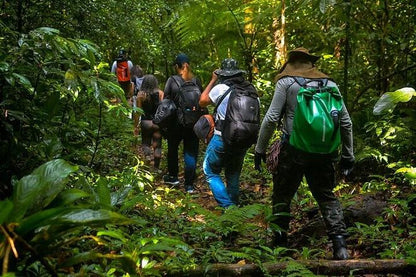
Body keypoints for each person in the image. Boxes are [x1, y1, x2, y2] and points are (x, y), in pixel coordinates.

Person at [254, 47, 354, 260]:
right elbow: (346, 121)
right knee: (326, 196)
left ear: (290, 63)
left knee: (282, 196)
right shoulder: (330, 84)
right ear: (311, 63)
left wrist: (259, 149)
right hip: (325, 152)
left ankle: (279, 246)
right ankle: (340, 245)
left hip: (294, 150)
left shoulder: (286, 83)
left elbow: (272, 117)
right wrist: (348, 154)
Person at [199, 58, 257, 208]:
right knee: (233, 174)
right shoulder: (251, 90)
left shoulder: (220, 88)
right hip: (243, 139)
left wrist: (213, 80)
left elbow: (202, 101)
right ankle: (235, 208)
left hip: (221, 137)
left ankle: (228, 208)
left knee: (210, 171)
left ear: (223, 74)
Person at [163, 53, 202, 193]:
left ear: (176, 66)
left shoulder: (172, 81)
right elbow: (202, 101)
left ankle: (173, 177)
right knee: (191, 153)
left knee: (173, 149)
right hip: (193, 122)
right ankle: (189, 185)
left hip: (175, 122)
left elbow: (166, 102)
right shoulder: (196, 81)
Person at [136, 74, 164, 169]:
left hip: (145, 122)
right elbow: (163, 109)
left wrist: (135, 126)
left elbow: (138, 111)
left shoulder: (141, 94)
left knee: (145, 143)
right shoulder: (160, 93)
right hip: (157, 123)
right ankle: (156, 167)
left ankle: (147, 156)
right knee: (158, 146)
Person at [131, 65, 144, 136]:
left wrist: (131, 96)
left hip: (136, 96)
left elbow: (132, 87)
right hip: (143, 95)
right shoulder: (144, 78)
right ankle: (141, 128)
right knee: (142, 112)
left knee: (136, 112)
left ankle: (136, 129)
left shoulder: (133, 78)